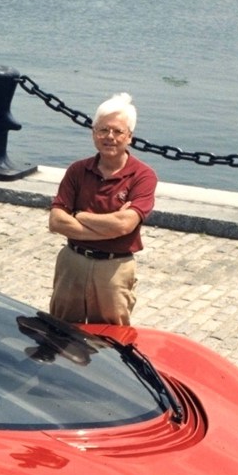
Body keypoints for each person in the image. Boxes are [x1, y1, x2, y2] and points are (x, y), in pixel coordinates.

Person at [47, 92, 157, 325]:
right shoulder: (77, 170)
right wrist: (109, 228)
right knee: (61, 331)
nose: (110, 137)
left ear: (130, 137)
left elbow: (124, 224)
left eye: (118, 131)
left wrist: (79, 215)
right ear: (94, 133)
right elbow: (56, 221)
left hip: (114, 268)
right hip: (72, 263)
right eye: (103, 130)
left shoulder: (143, 176)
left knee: (112, 338)